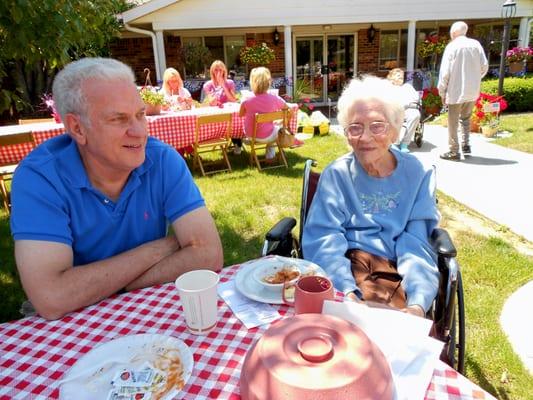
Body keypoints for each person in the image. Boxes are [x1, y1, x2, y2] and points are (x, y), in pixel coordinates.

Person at [10, 58, 223, 320]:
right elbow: (52, 298)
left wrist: (118, 286)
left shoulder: (162, 159)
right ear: (77, 128)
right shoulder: (40, 178)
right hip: (73, 321)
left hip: (143, 307)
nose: (139, 132)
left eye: (140, 114)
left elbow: (208, 254)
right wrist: (160, 249)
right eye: (119, 119)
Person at [302, 76, 440, 318]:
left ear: (396, 130)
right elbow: (325, 239)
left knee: (394, 329)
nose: (365, 137)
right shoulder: (337, 174)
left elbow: (417, 244)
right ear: (346, 133)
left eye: (377, 125)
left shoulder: (419, 173)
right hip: (347, 261)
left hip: (395, 264)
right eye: (355, 127)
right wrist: (346, 292)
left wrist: (418, 302)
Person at [438, 21, 488, 161]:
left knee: (453, 122)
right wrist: (475, 78)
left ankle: (454, 150)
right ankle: (466, 146)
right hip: (472, 91)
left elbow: (444, 73)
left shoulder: (452, 47)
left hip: (455, 91)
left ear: (453, 33)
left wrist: (442, 92)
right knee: (466, 119)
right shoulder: (476, 45)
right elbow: (484, 66)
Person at [239, 67, 290, 160]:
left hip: (251, 136)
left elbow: (241, 115)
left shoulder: (246, 99)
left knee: (272, 128)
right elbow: (288, 109)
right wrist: (282, 120)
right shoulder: (274, 98)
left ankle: (270, 156)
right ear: (268, 82)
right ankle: (271, 156)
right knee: (278, 129)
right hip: (268, 135)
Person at [202, 60, 242, 154]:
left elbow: (233, 100)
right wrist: (213, 99)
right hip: (216, 114)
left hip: (229, 113)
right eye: (216, 70)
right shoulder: (208, 85)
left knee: (233, 120)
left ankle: (237, 143)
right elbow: (211, 102)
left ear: (224, 71)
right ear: (212, 71)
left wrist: (223, 86)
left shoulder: (230, 83)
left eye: (220, 70)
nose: (218, 72)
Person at [386, 68, 421, 153]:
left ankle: (405, 143)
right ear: (391, 77)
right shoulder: (387, 88)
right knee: (394, 114)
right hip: (393, 110)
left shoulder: (407, 87)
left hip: (408, 109)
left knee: (415, 115)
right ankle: (394, 143)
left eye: (402, 76)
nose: (401, 78)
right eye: (398, 76)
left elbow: (416, 98)